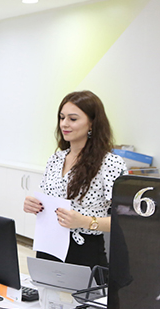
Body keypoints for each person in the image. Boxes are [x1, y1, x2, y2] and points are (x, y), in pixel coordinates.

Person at [23, 90, 127, 268]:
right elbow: (49, 203)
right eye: (61, 117)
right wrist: (34, 206)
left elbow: (126, 219)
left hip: (84, 252)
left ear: (92, 123)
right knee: (42, 287)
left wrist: (85, 222)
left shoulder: (110, 163)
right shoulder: (55, 159)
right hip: (48, 245)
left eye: (72, 119)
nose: (64, 124)